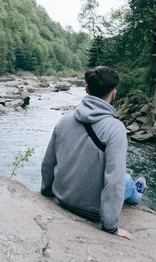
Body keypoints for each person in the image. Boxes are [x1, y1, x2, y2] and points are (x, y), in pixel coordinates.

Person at [40, 66, 147, 240]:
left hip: (61, 197)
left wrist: (46, 191)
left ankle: (136, 188)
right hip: (93, 210)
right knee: (126, 180)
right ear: (113, 94)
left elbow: (48, 163)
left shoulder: (65, 120)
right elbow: (114, 180)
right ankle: (137, 192)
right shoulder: (115, 129)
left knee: (123, 178)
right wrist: (111, 227)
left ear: (87, 89)